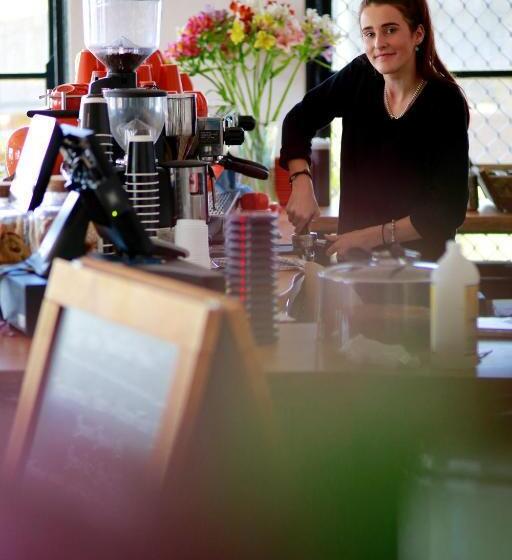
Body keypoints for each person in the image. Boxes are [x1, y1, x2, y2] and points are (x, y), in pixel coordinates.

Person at [279, 0, 469, 261]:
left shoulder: (445, 101)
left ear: (418, 34)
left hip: (421, 269)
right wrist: (301, 180)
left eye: (390, 30)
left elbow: (446, 211)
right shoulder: (360, 75)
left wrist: (366, 237)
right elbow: (298, 120)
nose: (379, 43)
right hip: (354, 266)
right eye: (369, 33)